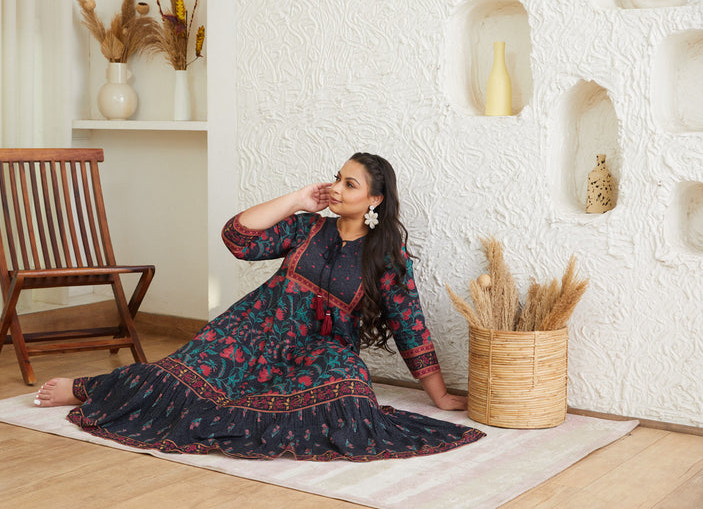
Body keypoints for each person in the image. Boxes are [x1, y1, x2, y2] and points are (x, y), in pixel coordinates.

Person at [34, 152, 485, 461]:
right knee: (178, 376)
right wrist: (296, 200)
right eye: (337, 177)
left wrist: (439, 395)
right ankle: (86, 388)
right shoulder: (307, 228)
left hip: (318, 352)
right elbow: (238, 237)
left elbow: (410, 326)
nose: (337, 187)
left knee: (348, 393)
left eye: (350, 183)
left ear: (375, 200)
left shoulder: (385, 258)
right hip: (252, 332)